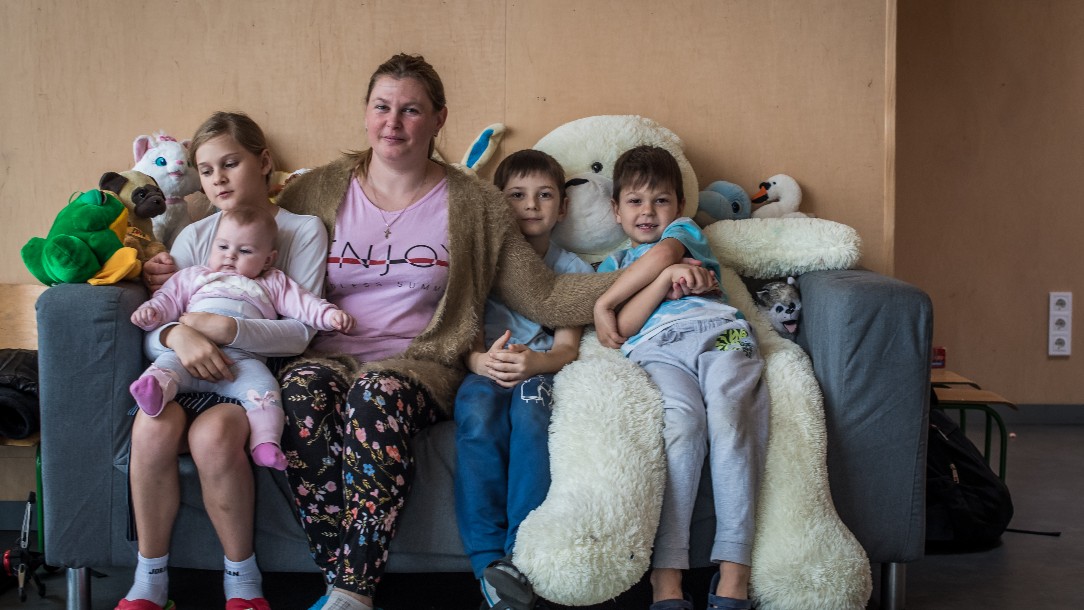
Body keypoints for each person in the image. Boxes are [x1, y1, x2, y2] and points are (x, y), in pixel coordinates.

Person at [274, 53, 615, 610]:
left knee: (375, 394)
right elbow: (256, 259)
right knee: (303, 390)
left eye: (411, 110)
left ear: (438, 120)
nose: (393, 122)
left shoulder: (476, 203)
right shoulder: (314, 191)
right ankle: (340, 576)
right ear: (365, 113)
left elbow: (544, 295)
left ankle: (353, 592)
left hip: (422, 362)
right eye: (382, 107)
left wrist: (652, 270)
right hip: (329, 353)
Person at [119, 111, 329, 610]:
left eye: (230, 164)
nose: (217, 179)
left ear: (264, 162)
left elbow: (302, 330)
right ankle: (149, 580)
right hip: (182, 370)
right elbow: (166, 313)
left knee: (213, 439)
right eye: (207, 170)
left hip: (247, 374)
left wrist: (226, 329)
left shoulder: (302, 231)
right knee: (150, 429)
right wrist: (176, 336)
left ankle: (243, 579)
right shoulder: (195, 237)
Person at [592, 146, 770, 610]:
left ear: (679, 207)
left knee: (731, 417)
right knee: (682, 427)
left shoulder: (684, 233)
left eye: (661, 200)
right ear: (615, 210)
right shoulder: (612, 267)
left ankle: (734, 574)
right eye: (634, 201)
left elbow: (667, 251)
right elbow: (626, 328)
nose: (647, 212)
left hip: (724, 334)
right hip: (659, 350)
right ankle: (666, 577)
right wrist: (658, 280)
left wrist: (607, 301)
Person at [453, 150, 592, 610]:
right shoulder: (482, 261)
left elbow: (568, 349)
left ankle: (519, 555)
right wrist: (478, 364)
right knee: (475, 415)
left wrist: (536, 363)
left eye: (544, 195)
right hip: (487, 367)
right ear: (498, 203)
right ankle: (487, 560)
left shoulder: (573, 269)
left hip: (538, 369)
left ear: (563, 207)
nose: (531, 205)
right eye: (517, 195)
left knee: (533, 420)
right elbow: (467, 338)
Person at [129, 207, 355, 471]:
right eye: (223, 246)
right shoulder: (195, 276)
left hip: (242, 361)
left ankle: (265, 444)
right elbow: (167, 300)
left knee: (265, 389)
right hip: (189, 352)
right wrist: (151, 312)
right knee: (167, 365)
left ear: (268, 260)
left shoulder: (273, 282)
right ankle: (154, 391)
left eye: (245, 251)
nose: (230, 256)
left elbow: (305, 304)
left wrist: (330, 316)